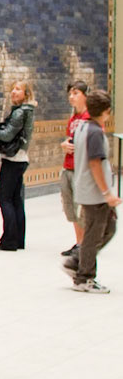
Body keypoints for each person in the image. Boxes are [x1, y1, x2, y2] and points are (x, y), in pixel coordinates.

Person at [71, 88, 119, 293]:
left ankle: (80, 261)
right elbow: (95, 164)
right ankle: (85, 276)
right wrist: (107, 192)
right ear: (106, 111)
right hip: (94, 193)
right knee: (94, 234)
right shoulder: (95, 132)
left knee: (109, 228)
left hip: (88, 189)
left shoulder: (82, 127)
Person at [0, 78, 35, 251]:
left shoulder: (20, 112)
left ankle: (9, 241)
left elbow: (7, 135)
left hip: (13, 160)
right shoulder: (26, 111)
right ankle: (18, 239)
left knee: (5, 198)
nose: (13, 92)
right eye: (12, 89)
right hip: (21, 159)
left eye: (18, 89)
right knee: (15, 200)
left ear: (26, 94)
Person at [62, 84, 90, 274]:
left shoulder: (89, 119)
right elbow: (69, 139)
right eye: (70, 94)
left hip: (81, 168)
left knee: (81, 209)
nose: (71, 97)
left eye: (76, 93)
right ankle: (78, 241)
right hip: (68, 166)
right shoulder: (73, 118)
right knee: (70, 207)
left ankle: (84, 244)